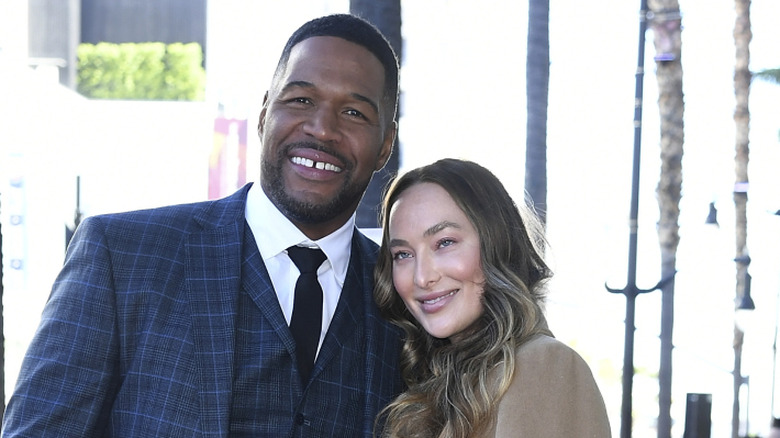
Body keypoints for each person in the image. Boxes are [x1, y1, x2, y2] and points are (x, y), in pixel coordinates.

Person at [2, 14, 403, 437]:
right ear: (265, 113)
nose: (322, 129)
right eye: (300, 100)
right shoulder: (120, 257)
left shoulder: (403, 295)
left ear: (385, 146)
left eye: (354, 112)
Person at [373, 158, 611, 438]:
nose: (422, 277)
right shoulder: (440, 383)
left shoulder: (542, 364)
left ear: (496, 244)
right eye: (403, 254)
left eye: (445, 243)